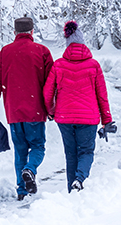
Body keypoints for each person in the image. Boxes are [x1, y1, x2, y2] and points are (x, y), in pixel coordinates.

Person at [0, 17, 54, 201]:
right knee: (38, 147)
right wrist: (51, 108)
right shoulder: (42, 52)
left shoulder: (5, 53)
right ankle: (30, 170)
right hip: (36, 110)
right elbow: (51, 85)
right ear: (32, 32)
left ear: (15, 33)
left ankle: (21, 190)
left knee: (20, 150)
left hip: (14, 111)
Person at [43, 20, 114, 193]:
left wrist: (51, 112)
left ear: (67, 45)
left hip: (64, 118)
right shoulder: (94, 66)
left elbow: (47, 92)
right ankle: (80, 180)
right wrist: (107, 120)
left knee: (71, 154)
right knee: (86, 151)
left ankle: (71, 189)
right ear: (84, 44)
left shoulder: (59, 65)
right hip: (88, 119)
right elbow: (102, 96)